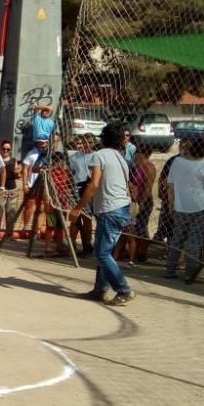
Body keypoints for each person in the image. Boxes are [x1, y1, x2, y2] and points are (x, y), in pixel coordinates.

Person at [69, 123, 136, 306]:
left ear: (103, 139)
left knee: (102, 253)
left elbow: (94, 184)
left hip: (110, 209)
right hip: (121, 208)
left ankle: (123, 289)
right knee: (104, 250)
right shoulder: (121, 158)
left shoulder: (99, 156)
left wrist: (78, 208)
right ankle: (100, 289)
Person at [165, 139, 204, 284]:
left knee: (177, 239)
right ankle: (190, 273)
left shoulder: (177, 162)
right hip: (200, 206)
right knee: (194, 242)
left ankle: (169, 270)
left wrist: (171, 204)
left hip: (180, 206)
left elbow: (170, 184)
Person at [127, 144, 156, 265]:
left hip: (144, 201)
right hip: (135, 201)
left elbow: (148, 188)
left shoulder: (149, 167)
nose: (134, 157)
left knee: (141, 227)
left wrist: (142, 203)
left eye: (136, 154)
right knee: (135, 227)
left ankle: (143, 252)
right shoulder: (136, 167)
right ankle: (137, 251)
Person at [68, 134, 95, 254]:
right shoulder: (74, 157)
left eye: (89, 142)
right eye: (84, 142)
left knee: (88, 219)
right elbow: (69, 174)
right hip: (76, 189)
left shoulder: (96, 156)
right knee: (75, 219)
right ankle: (72, 244)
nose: (87, 144)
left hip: (90, 190)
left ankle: (88, 244)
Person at [0, 139, 21, 239]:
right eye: (4, 149)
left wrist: (18, 172)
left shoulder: (14, 161)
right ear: (0, 149)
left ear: (10, 150)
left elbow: (17, 175)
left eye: (8, 149)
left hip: (12, 189)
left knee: (11, 212)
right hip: (0, 188)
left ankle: (9, 233)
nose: (5, 151)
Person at [21, 137, 47, 236]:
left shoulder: (49, 154)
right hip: (32, 183)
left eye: (44, 142)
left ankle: (38, 229)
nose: (42, 144)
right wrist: (25, 183)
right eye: (40, 142)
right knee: (29, 206)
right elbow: (25, 168)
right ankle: (26, 226)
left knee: (42, 208)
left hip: (44, 185)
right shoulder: (32, 153)